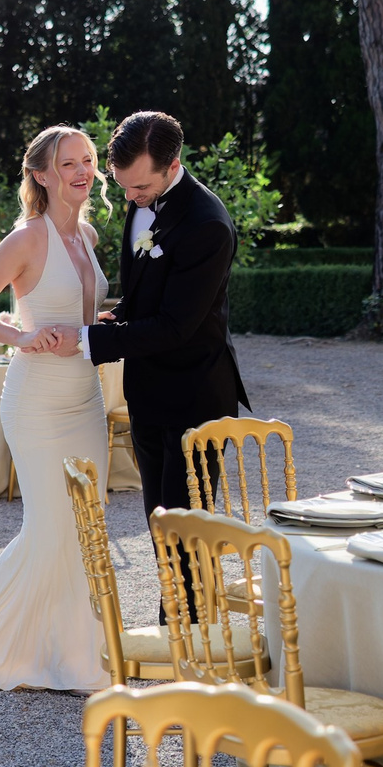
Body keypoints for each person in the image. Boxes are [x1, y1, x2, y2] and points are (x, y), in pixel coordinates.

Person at [0, 125, 112, 692]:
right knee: (50, 526)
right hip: (36, 402)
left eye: (88, 160)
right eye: (68, 164)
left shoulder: (87, 234)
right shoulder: (27, 239)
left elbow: (83, 315)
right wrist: (18, 337)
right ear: (40, 174)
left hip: (86, 398)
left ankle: (75, 654)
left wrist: (103, 324)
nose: (83, 171)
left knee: (89, 524)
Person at [81, 110, 249, 570]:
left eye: (141, 188)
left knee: (186, 539)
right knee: (161, 530)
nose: (132, 198)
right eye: (124, 187)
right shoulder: (140, 202)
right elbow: (147, 299)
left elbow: (176, 326)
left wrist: (86, 340)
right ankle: (173, 634)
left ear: (173, 166)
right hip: (149, 392)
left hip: (195, 399)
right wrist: (113, 317)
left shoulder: (206, 224)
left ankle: (190, 639)